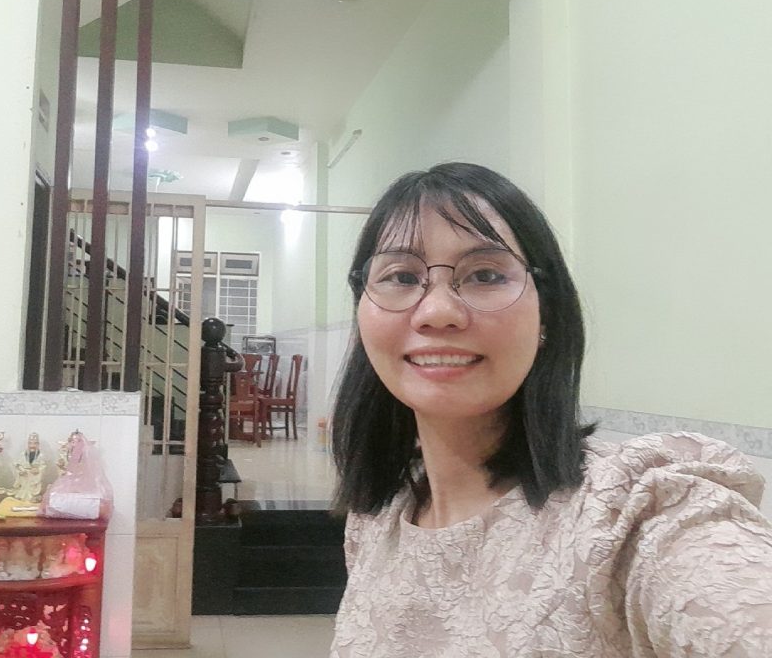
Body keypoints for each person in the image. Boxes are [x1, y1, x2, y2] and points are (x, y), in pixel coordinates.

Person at [330, 162, 772, 657]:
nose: (437, 312)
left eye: (485, 274)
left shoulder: (630, 511)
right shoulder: (377, 520)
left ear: (546, 314)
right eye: (401, 276)